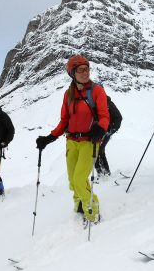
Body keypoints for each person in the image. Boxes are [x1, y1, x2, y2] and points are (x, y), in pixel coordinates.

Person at [36, 55, 109, 226]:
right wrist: (49, 137)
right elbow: (64, 120)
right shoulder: (68, 94)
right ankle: (79, 205)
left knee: (79, 179)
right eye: (80, 70)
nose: (85, 73)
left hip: (89, 142)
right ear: (72, 73)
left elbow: (105, 116)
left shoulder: (97, 91)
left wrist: (100, 129)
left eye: (87, 69)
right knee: (72, 180)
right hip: (71, 142)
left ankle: (92, 211)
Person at [95, 95, 122, 178]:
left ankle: (104, 173)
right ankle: (103, 173)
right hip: (96, 132)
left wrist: (112, 130)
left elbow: (118, 117)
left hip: (106, 131)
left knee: (98, 150)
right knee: (96, 151)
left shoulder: (108, 103)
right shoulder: (94, 103)